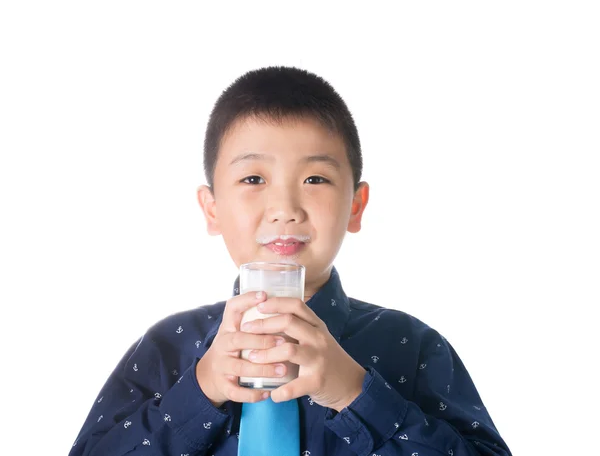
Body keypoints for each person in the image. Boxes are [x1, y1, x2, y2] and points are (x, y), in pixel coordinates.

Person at [69, 66, 512, 456]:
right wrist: (199, 392)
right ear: (213, 210)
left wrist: (358, 395)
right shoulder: (168, 348)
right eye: (253, 178)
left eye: (315, 178)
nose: (285, 206)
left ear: (355, 206)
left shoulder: (413, 346)